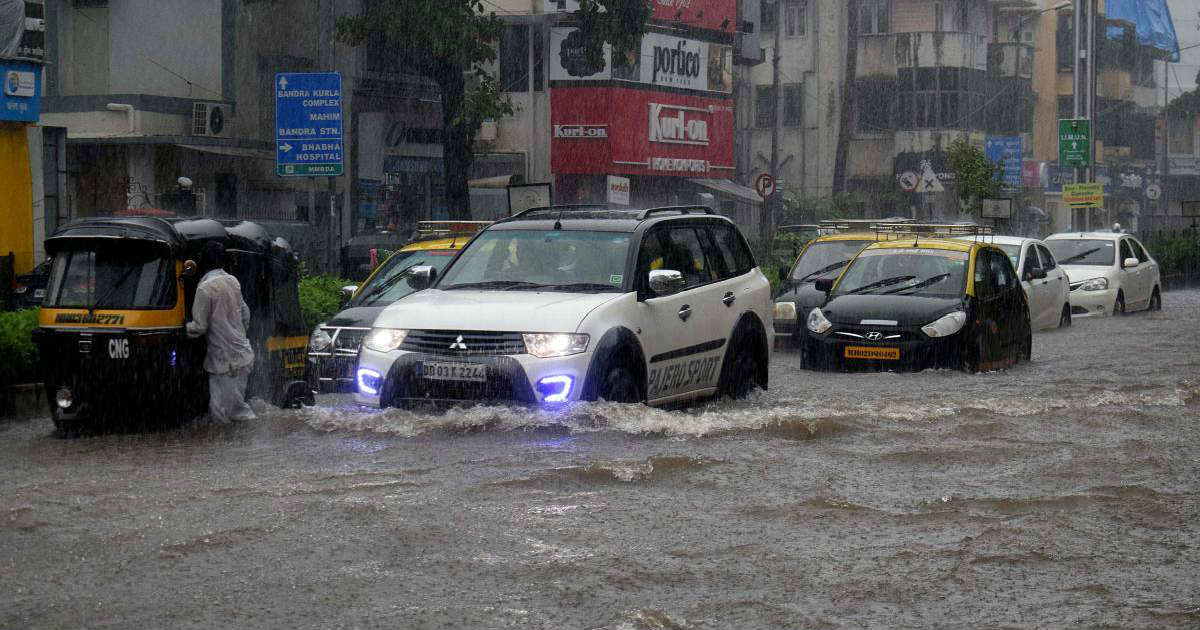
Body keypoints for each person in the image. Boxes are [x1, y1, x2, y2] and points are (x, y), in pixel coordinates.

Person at [186, 241, 256, 424]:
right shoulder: (233, 281)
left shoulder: (204, 289)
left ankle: (254, 443)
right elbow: (246, 314)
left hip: (224, 362)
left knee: (222, 413)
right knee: (235, 408)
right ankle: (247, 444)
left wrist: (181, 328)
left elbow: (199, 327)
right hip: (243, 355)